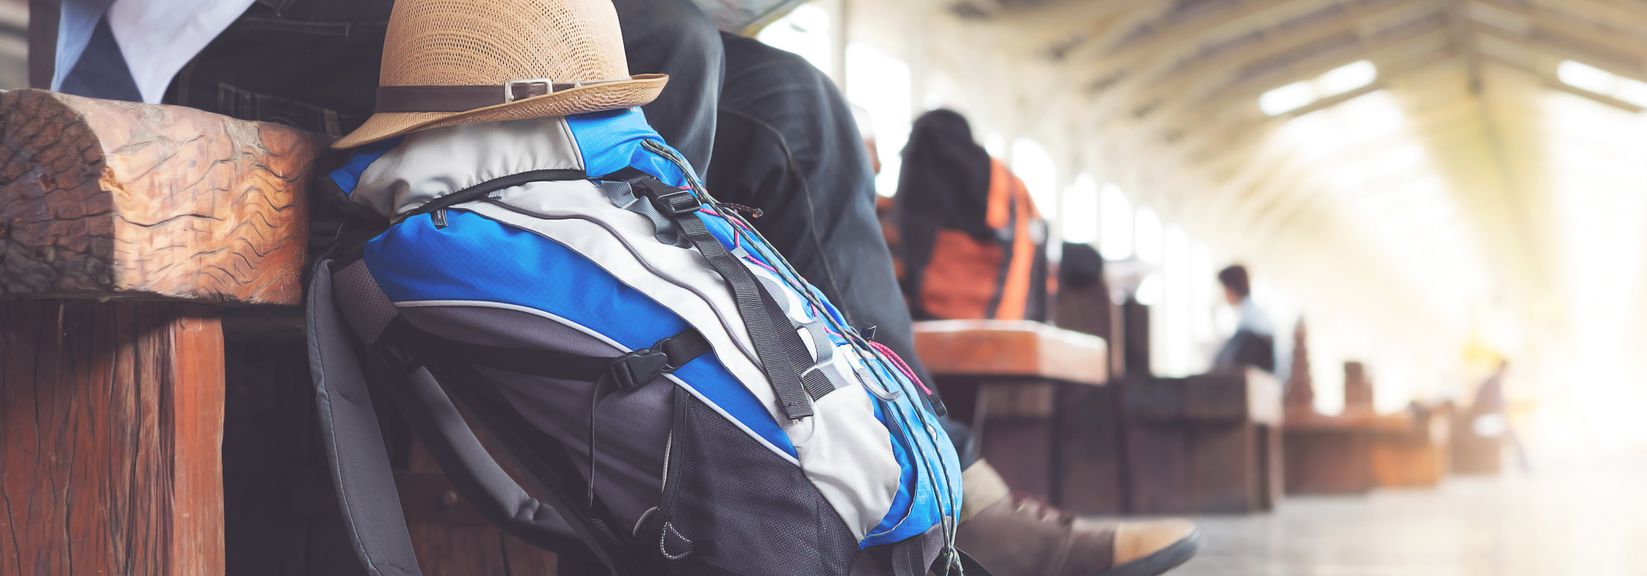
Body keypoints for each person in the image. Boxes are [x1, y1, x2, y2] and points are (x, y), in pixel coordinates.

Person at [35, 1, 1200, 575]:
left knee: (799, 111)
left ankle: (941, 499)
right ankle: (667, 518)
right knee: (673, 52)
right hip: (221, 29)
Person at [893, 109, 1050, 323]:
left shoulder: (929, 153)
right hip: (1016, 319)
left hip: (943, 321)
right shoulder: (1010, 182)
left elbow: (913, 241)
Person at [1210, 264, 1283, 374]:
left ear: (1230, 289)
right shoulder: (1251, 315)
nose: (1222, 295)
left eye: (1223, 289)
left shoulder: (1250, 321)